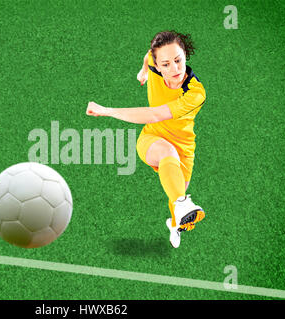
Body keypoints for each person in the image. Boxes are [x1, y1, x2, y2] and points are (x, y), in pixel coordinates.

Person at [86, 30, 206, 248]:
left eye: (178, 60)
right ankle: (181, 204)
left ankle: (175, 223)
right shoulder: (152, 61)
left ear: (185, 55)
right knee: (171, 167)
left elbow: (155, 113)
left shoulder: (195, 93)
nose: (174, 69)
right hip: (152, 138)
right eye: (166, 64)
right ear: (158, 65)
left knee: (177, 196)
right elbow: (147, 58)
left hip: (184, 148)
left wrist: (108, 110)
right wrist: (143, 73)